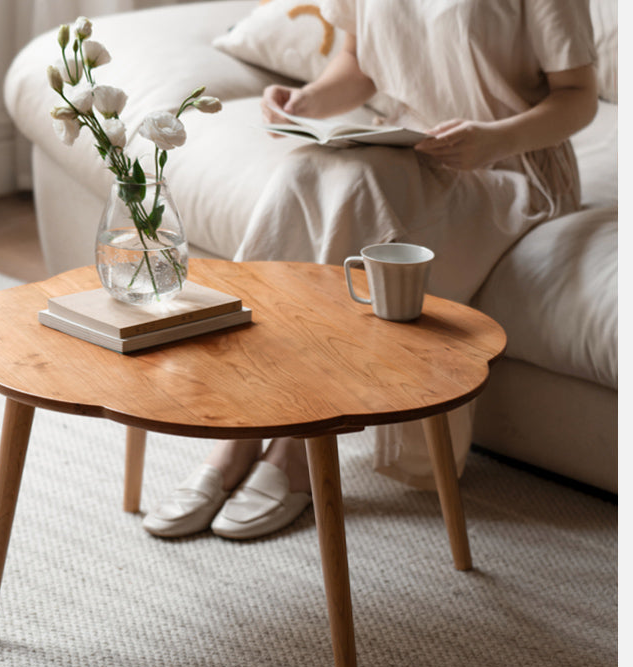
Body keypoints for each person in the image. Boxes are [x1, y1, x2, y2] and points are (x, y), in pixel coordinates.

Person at [142, 0, 598, 540]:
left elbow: (578, 97)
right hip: (406, 147)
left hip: (509, 166)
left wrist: (493, 138)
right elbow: (360, 65)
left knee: (359, 188)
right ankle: (242, 427)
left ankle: (297, 445)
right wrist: (307, 100)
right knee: (300, 174)